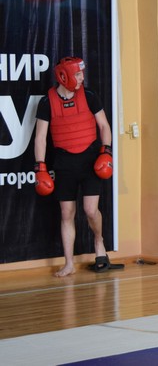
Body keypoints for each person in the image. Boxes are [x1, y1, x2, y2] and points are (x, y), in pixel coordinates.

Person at [33, 57, 115, 277]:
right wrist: (40, 167)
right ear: (64, 76)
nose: (81, 78)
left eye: (81, 74)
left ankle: (99, 240)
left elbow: (104, 126)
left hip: (90, 160)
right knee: (66, 212)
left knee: (90, 210)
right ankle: (69, 263)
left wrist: (106, 151)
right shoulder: (47, 102)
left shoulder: (89, 96)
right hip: (64, 162)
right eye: (77, 74)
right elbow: (40, 137)